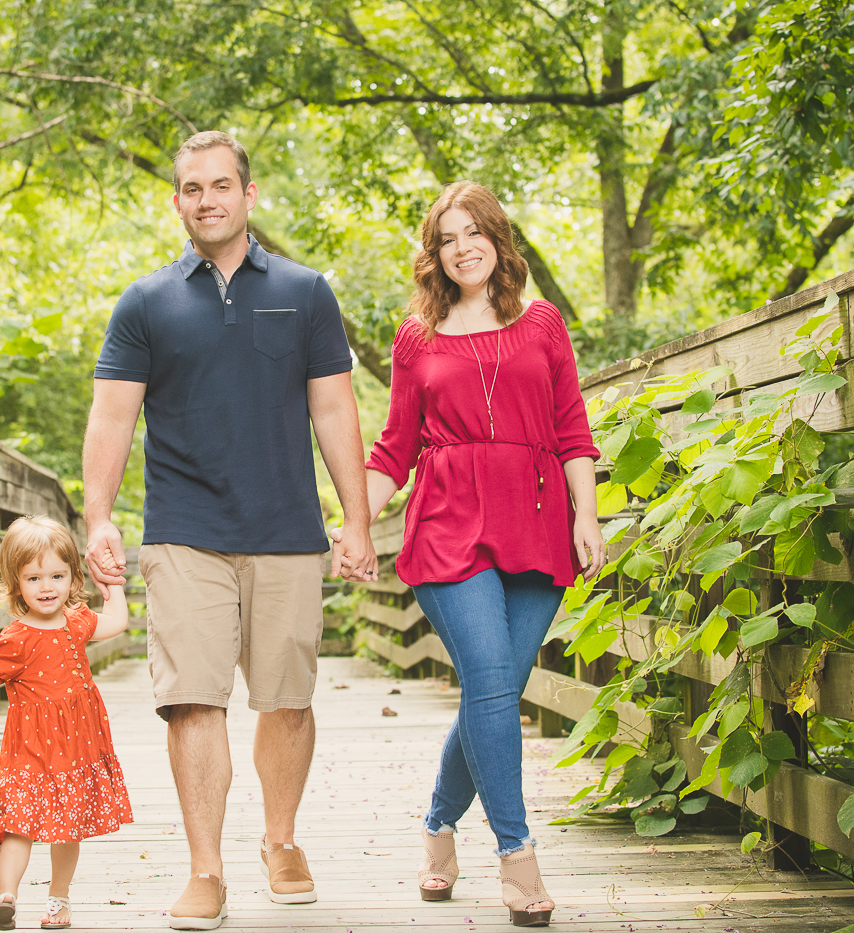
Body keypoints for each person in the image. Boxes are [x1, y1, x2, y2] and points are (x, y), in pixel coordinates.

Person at [82, 130, 377, 930]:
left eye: (220, 185)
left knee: (286, 697)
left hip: (287, 527)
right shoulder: (146, 302)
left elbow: (333, 406)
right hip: (184, 529)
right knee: (192, 700)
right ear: (177, 200)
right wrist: (99, 516)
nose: (205, 198)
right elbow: (112, 416)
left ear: (249, 195)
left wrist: (356, 519)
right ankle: (205, 868)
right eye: (191, 188)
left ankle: (281, 841)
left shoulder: (308, 290)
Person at [331, 182, 605, 928]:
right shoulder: (416, 336)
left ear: (497, 238)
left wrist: (590, 513)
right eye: (446, 237)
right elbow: (396, 444)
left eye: (472, 232)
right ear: (435, 252)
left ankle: (437, 824)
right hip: (449, 525)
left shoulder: (543, 323)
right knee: (489, 682)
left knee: (494, 691)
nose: (461, 247)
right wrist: (356, 524)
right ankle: (517, 856)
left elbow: (573, 426)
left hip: (539, 521)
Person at [0, 517, 134, 931]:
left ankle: (59, 900)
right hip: (31, 750)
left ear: (73, 578)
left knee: (66, 828)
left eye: (57, 575)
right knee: (17, 824)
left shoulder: (76, 623)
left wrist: (112, 582)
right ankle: (7, 894)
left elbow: (118, 621)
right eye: (34, 577)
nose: (46, 587)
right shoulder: (14, 638)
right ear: (15, 582)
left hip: (77, 748)